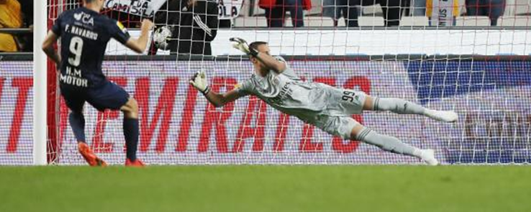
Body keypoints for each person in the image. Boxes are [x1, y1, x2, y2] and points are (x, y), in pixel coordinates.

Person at [190, 38, 458, 165]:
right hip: (321, 117)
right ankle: (423, 155)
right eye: (264, 52)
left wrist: (255, 51)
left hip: (327, 95)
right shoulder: (251, 85)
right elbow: (220, 101)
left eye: (269, 52)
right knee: (370, 137)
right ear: (252, 59)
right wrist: (204, 89)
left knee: (380, 103)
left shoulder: (278, 63)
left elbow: (274, 64)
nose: (270, 55)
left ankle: (433, 113)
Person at [42, 0, 151, 167]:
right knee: (131, 106)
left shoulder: (66, 16)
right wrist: (145, 30)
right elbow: (140, 47)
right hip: (92, 83)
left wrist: (60, 63)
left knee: (75, 109)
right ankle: (132, 160)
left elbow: (45, 45)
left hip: (68, 80)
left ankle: (82, 142)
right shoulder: (107, 24)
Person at [151, 0, 219, 55]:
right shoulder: (177, 3)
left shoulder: (211, 5)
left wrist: (195, 12)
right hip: (177, 54)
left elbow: (211, 35)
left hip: (200, 56)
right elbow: (159, 22)